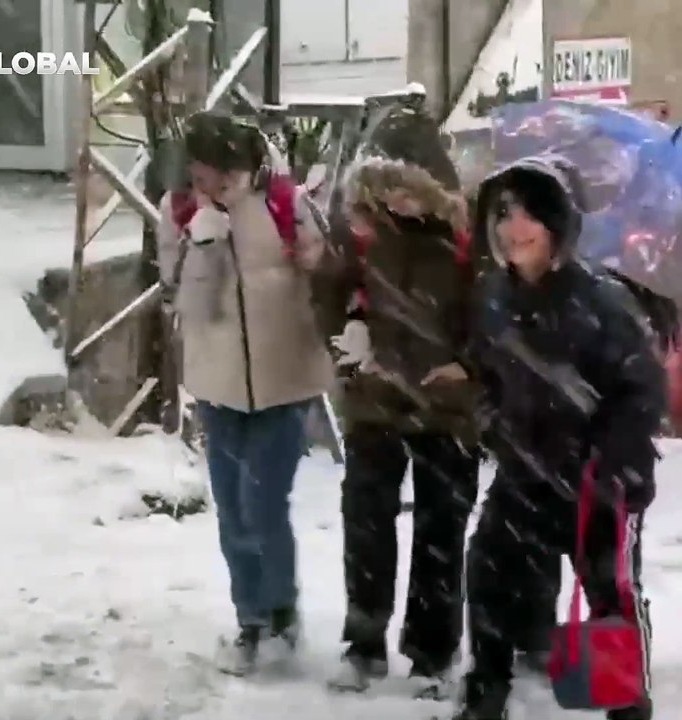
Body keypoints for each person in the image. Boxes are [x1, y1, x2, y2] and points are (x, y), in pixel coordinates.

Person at [453, 154, 664, 720]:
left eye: (527, 216)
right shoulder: (494, 297)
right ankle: (486, 693)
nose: (512, 228)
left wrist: (613, 462)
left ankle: (625, 702)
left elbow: (641, 389)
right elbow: (486, 371)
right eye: (503, 214)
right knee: (488, 571)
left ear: (556, 227)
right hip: (526, 470)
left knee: (609, 593)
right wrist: (490, 419)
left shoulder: (600, 302)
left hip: (598, 478)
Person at [156, 111, 335, 675]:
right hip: (218, 385)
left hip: (284, 380)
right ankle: (250, 620)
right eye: (201, 173)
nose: (211, 184)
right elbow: (186, 302)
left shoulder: (284, 203)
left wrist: (318, 262)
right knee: (232, 511)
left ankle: (281, 613)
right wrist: (203, 246)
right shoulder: (180, 211)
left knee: (262, 505)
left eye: (221, 173)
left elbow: (328, 273)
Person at [315, 106, 481, 696]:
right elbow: (329, 294)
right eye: (384, 188)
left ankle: (433, 653)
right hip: (375, 401)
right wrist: (347, 338)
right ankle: (363, 642)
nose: (396, 201)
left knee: (442, 528)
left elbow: (492, 317)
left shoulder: (468, 242)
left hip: (447, 409)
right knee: (366, 521)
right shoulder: (360, 234)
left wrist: (469, 364)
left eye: (406, 189)